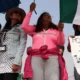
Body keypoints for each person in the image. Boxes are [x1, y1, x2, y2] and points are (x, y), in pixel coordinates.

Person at [22, 2, 68, 80]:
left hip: (52, 58)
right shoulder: (35, 29)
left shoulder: (56, 30)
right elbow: (24, 26)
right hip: (36, 58)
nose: (48, 17)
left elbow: (61, 42)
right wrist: (30, 11)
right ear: (41, 19)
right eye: (46, 16)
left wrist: (60, 30)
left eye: (49, 16)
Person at [0, 8, 27, 80]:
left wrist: (17, 62)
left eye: (20, 14)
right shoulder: (3, 29)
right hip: (1, 60)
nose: (18, 14)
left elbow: (22, 44)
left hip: (12, 61)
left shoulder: (21, 28)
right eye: (16, 12)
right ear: (10, 16)